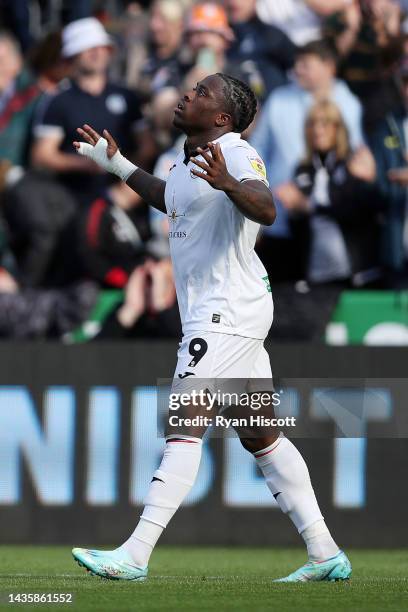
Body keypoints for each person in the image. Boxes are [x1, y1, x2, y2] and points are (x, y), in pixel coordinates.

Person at [70, 73, 351, 583]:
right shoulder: (189, 158)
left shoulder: (235, 152)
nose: (187, 94)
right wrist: (116, 164)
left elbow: (266, 206)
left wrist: (229, 183)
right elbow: (169, 197)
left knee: (184, 425)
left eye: (202, 93)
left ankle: (134, 554)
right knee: (261, 436)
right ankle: (325, 552)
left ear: (222, 117)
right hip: (227, 309)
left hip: (226, 311)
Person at [251, 39, 365, 281]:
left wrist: (308, 200)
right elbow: (256, 152)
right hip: (277, 219)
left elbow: (352, 159)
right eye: (296, 64)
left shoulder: (349, 104)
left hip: (327, 230)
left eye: (306, 64)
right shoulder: (279, 100)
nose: (297, 70)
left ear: (329, 67)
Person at [31, 17, 147, 207]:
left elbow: (147, 145)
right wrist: (87, 164)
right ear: (71, 56)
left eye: (101, 46)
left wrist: (126, 173)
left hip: (122, 197)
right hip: (71, 200)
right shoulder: (57, 100)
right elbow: (42, 156)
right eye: (88, 47)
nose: (97, 52)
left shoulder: (127, 96)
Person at [224, 0, 297, 100]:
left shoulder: (272, 36)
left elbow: (298, 65)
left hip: (270, 108)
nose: (233, 2)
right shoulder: (213, 38)